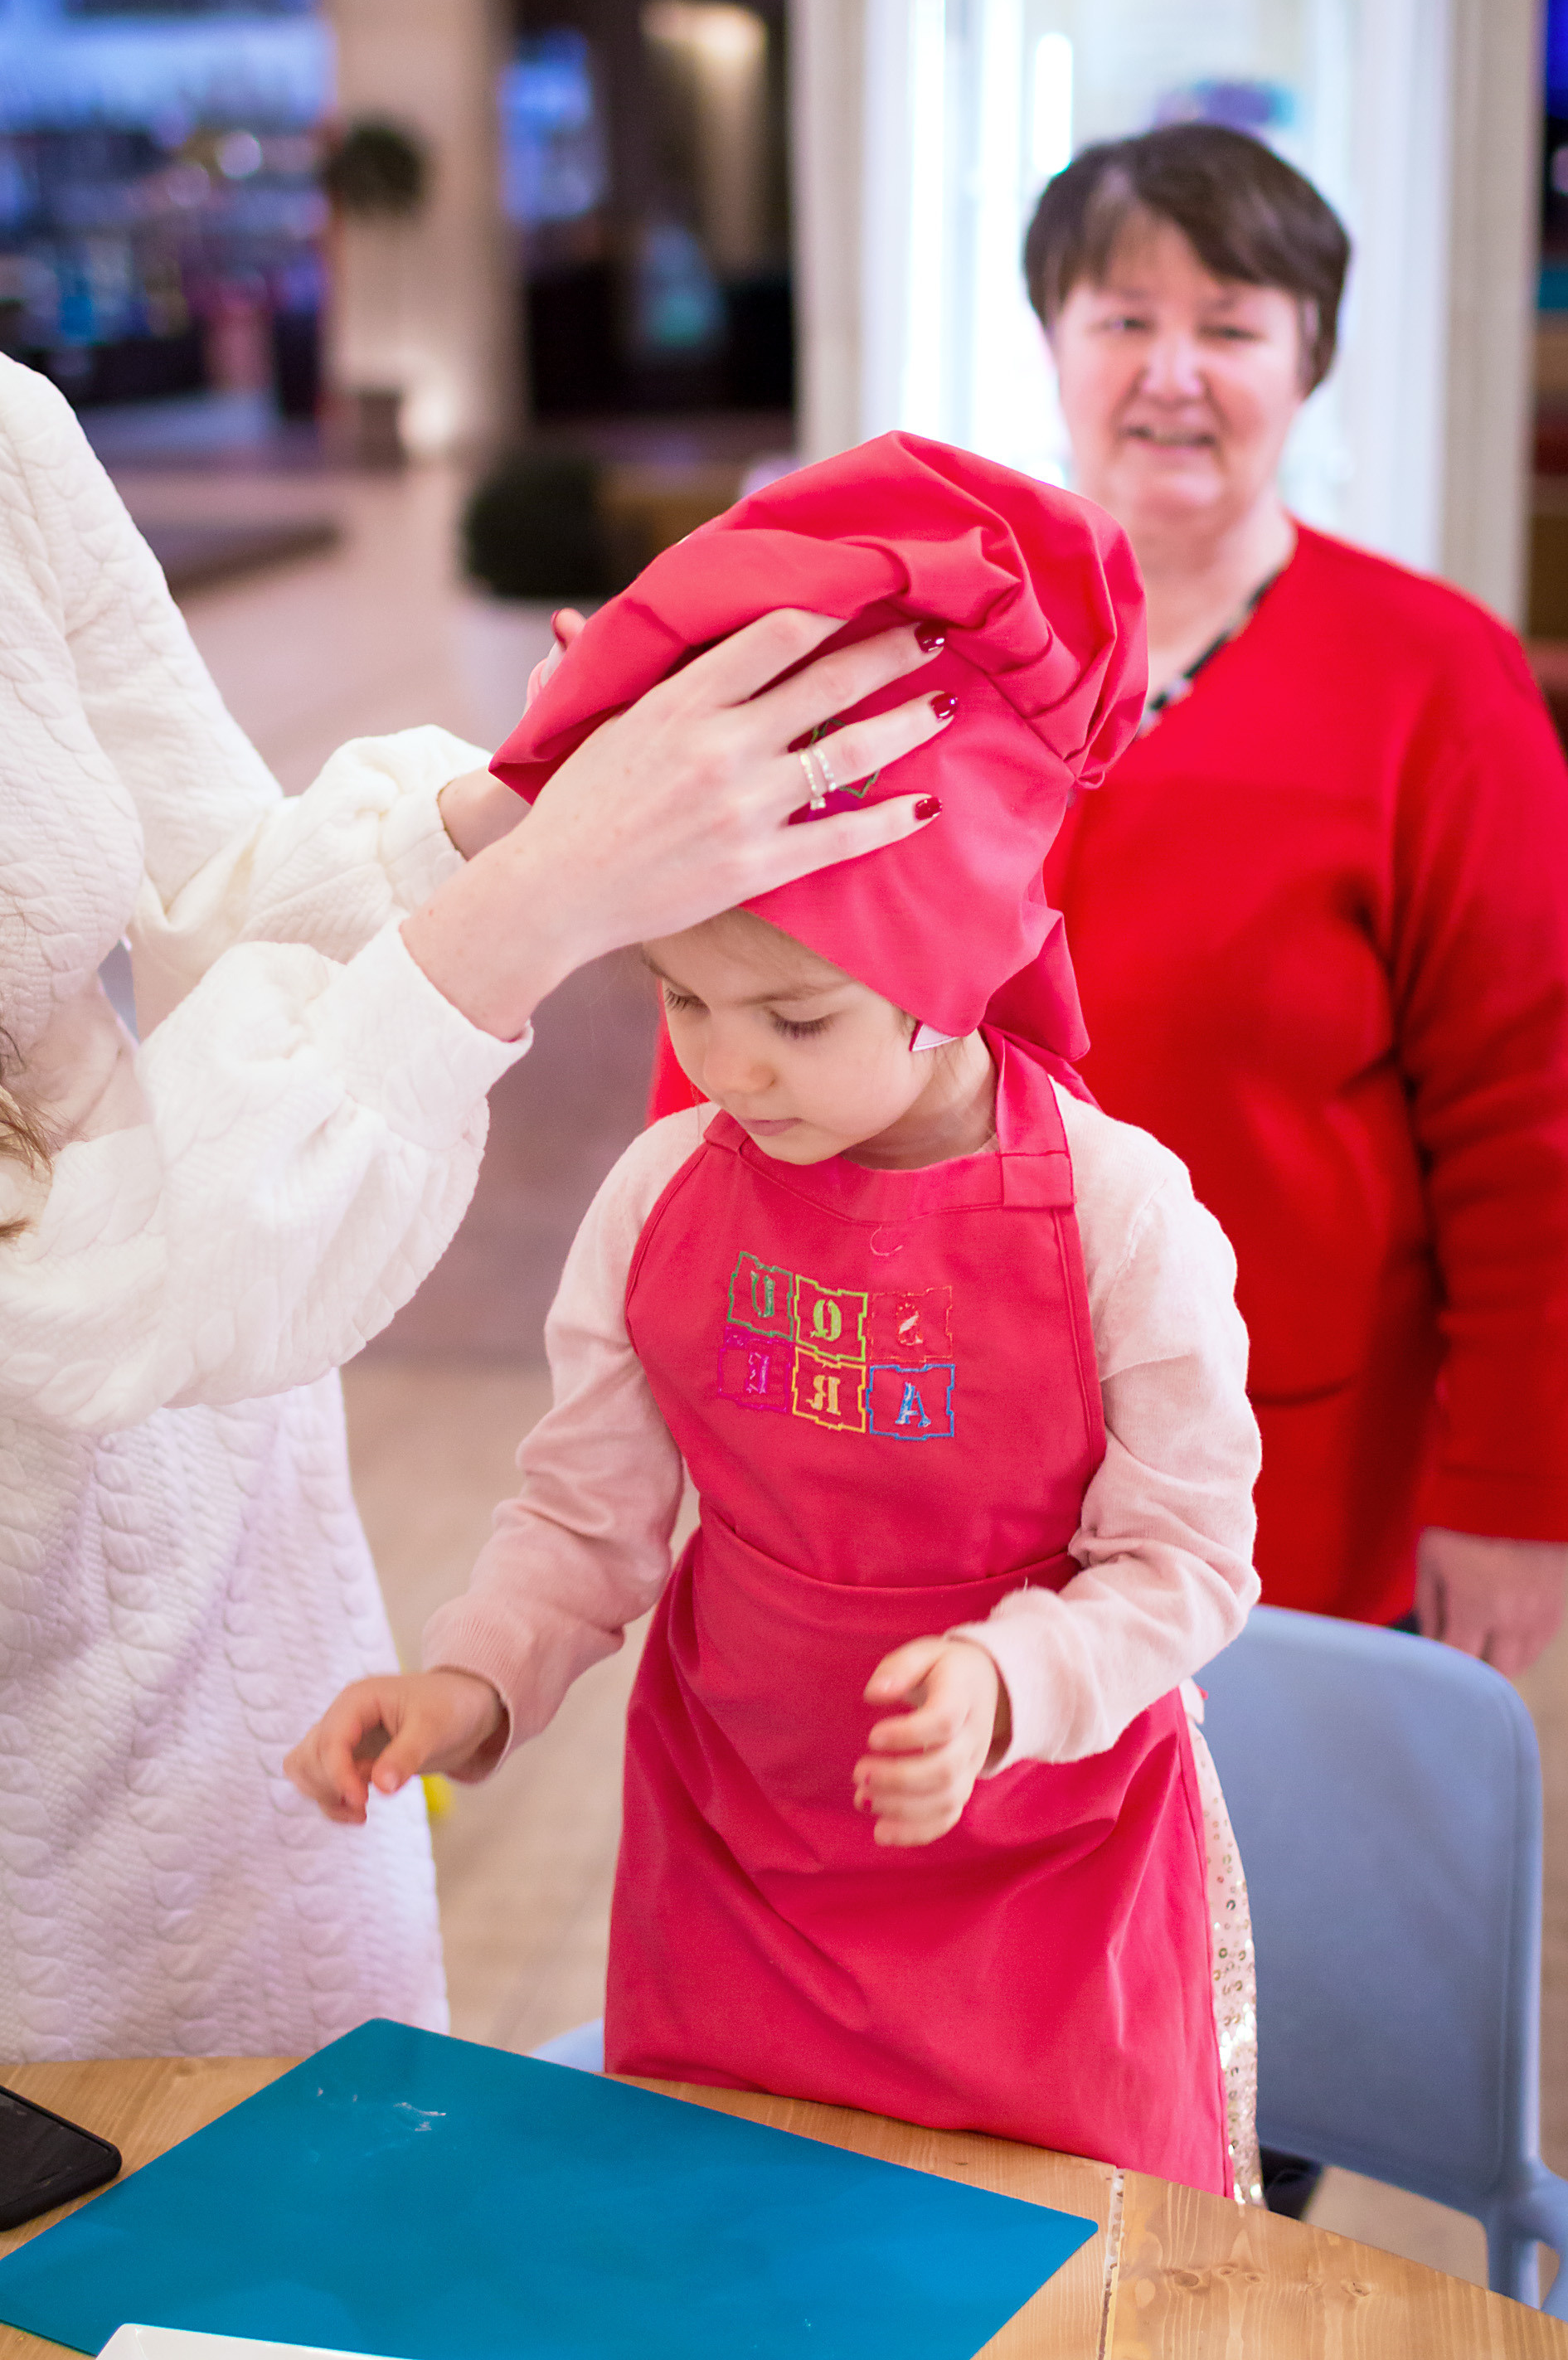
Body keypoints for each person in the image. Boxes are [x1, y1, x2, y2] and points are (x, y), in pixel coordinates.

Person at [287, 431, 1265, 2200]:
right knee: (730, 2254)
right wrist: (473, 1681)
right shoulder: (665, 1197)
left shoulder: (1123, 1222)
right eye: (682, 997)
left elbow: (1188, 1568)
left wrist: (1000, 1675)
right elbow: (586, 1521)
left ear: (957, 965)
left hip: (1040, 1886)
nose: (727, 1067)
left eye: (797, 1018)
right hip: (736, 1872)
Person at [0, 352, 951, 2064]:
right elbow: (76, 1313)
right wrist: (549, 888)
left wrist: (513, 799)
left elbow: (215, 885)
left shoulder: (6, 434)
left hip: (244, 1591)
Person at [1024, 124, 1568, 1666]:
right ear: (1054, 343)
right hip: (957, 1460)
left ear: (1310, 363)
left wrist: (1508, 1492)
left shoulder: (1436, 679)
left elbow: (1533, 1121)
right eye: (1124, 321)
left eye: (1231, 327)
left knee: (1274, 1891)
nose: (1174, 371)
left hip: (1296, 1487)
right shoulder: (947, 645)